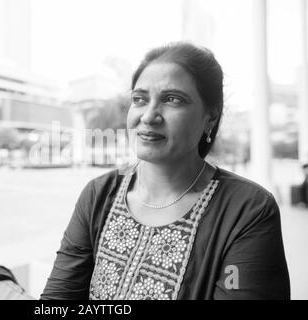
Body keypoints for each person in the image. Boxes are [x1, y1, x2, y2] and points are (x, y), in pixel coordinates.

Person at [41, 42, 290, 300]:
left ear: (210, 117)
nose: (148, 116)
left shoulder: (247, 211)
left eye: (173, 99)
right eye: (139, 99)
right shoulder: (98, 195)